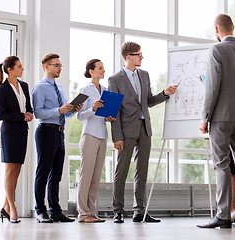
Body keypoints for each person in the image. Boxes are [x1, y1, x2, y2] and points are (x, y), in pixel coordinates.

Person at [197, 14, 235, 228]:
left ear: (216, 29)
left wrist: (205, 118)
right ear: (233, 27)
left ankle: (223, 214)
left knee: (221, 164)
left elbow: (212, 87)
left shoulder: (216, 50)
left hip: (221, 118)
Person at [108, 41, 178, 223]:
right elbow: (112, 111)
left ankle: (140, 211)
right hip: (125, 131)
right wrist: (117, 137)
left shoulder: (145, 75)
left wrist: (165, 93)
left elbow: (148, 101)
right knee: (121, 172)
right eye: (139, 54)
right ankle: (118, 211)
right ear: (128, 57)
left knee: (142, 172)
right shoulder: (115, 79)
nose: (142, 57)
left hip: (145, 129)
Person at [32, 53, 82, 223]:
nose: (60, 68)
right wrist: (58, 110)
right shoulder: (39, 87)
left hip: (60, 132)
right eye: (56, 65)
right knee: (43, 172)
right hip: (46, 131)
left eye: (60, 65)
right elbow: (38, 112)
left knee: (57, 174)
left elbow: (65, 113)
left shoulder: (59, 88)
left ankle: (55, 210)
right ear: (46, 67)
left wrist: (73, 109)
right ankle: (40, 210)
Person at [0, 56, 34, 223]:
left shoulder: (24, 86)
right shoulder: (1, 89)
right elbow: (0, 115)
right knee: (10, 171)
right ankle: (12, 207)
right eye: (19, 66)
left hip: (23, 132)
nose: (22, 69)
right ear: (10, 69)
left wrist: (29, 114)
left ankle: (5, 207)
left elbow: (28, 107)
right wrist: (21, 116)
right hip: (9, 133)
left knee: (17, 171)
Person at [76, 59, 115, 223]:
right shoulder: (85, 90)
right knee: (86, 175)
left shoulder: (106, 90)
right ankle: (82, 213)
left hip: (102, 136)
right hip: (90, 135)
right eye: (100, 68)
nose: (103, 71)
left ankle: (91, 212)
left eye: (103, 68)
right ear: (91, 71)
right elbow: (78, 115)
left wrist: (110, 117)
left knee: (96, 176)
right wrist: (92, 108)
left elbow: (106, 115)